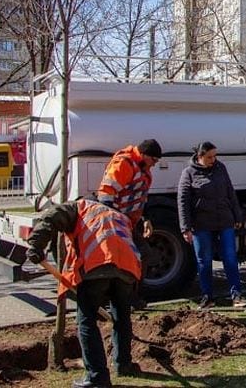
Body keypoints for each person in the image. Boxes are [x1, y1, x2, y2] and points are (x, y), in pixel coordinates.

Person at [26, 198, 142, 387]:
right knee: (121, 316)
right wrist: (138, 293)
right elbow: (141, 248)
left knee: (86, 320)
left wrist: (35, 246)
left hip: (98, 264)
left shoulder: (78, 207)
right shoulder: (119, 216)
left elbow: (50, 217)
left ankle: (97, 377)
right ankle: (123, 364)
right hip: (127, 268)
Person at [178, 141, 246, 309]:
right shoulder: (188, 173)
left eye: (215, 156)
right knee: (204, 261)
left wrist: (236, 216)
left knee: (230, 258)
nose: (213, 160)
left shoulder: (220, 168)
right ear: (200, 156)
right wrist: (185, 228)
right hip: (201, 224)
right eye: (209, 157)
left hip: (224, 221)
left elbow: (230, 192)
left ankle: (237, 295)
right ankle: (207, 297)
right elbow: (183, 202)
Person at [96, 139, 162, 309]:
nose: (154, 165)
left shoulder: (143, 169)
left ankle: (132, 297)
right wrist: (112, 224)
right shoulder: (124, 164)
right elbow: (106, 193)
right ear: (144, 155)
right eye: (154, 160)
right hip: (117, 223)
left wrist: (145, 219)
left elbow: (140, 198)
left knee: (142, 255)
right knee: (124, 259)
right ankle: (117, 299)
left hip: (128, 223)